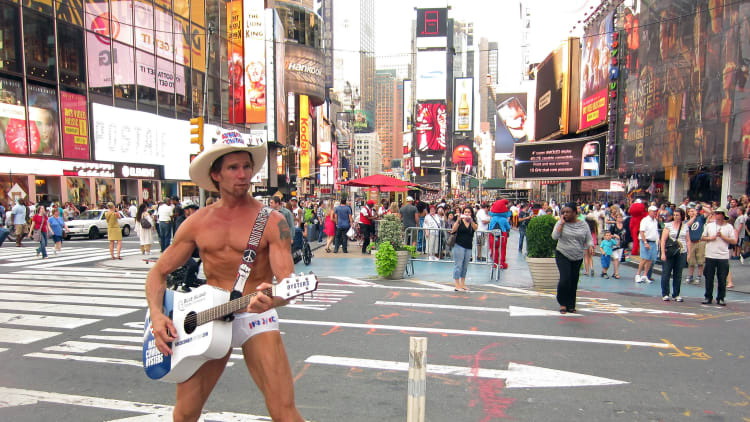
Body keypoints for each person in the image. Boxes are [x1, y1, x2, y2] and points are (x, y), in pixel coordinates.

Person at [145, 135, 303, 422]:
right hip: (209, 317)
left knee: (284, 412)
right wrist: (157, 315)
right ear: (215, 175)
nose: (243, 174)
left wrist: (273, 299)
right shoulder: (198, 222)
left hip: (256, 316)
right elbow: (158, 272)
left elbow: (289, 283)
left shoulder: (272, 220)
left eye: (246, 166)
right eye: (233, 168)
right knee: (184, 414)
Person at [552, 203, 594, 314]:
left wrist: (590, 246)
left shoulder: (583, 225)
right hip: (562, 253)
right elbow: (554, 236)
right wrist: (561, 223)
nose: (565, 214)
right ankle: (562, 303)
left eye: (568, 212)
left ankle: (571, 305)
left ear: (575, 213)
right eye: (563, 212)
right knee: (565, 279)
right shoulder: (561, 223)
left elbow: (589, 238)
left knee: (573, 280)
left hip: (578, 255)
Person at [701, 207, 736, 306]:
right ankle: (708, 296)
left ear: (723, 215)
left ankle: (721, 298)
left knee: (722, 278)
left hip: (723, 256)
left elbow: (734, 241)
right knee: (709, 277)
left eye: (719, 213)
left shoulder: (729, 227)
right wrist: (711, 238)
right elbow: (702, 237)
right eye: (716, 213)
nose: (716, 215)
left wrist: (722, 236)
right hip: (710, 254)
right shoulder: (709, 225)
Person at [660, 208, 687, 302]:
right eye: (674, 215)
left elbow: (688, 240)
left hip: (681, 251)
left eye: (677, 215)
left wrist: (688, 254)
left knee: (678, 274)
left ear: (681, 216)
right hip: (670, 252)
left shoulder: (685, 226)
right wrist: (663, 253)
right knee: (666, 273)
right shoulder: (668, 226)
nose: (675, 217)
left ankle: (676, 294)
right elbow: (663, 240)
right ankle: (665, 293)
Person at [450, 206, 476, 292]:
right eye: (465, 212)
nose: (467, 214)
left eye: (469, 212)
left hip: (468, 246)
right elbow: (453, 230)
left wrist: (471, 221)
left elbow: (476, 228)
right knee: (458, 265)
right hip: (459, 245)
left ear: (471, 213)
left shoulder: (472, 222)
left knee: (465, 266)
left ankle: (463, 283)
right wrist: (457, 220)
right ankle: (457, 284)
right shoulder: (460, 221)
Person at [635, 205, 660, 284]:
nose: (655, 213)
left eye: (655, 211)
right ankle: (638, 275)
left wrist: (657, 240)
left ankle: (645, 275)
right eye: (653, 211)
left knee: (650, 260)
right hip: (645, 241)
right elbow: (641, 231)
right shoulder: (645, 220)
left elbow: (655, 232)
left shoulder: (655, 221)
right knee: (644, 259)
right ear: (649, 212)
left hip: (653, 242)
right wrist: (645, 242)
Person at [609, 213, 627, 279]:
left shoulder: (624, 226)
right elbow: (609, 235)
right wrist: (614, 235)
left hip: (621, 244)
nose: (620, 219)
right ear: (616, 218)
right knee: (616, 258)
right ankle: (616, 273)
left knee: (618, 259)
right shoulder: (613, 226)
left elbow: (625, 234)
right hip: (614, 244)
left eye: (621, 217)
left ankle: (615, 272)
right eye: (618, 217)